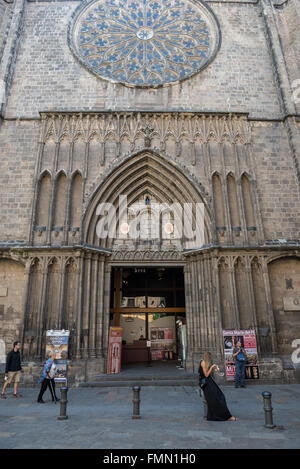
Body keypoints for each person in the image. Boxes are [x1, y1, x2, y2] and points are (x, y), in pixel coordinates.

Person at [198, 352, 237, 421]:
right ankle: (225, 416)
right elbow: (206, 375)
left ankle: (225, 415)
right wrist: (212, 367)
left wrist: (213, 368)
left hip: (209, 382)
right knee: (217, 398)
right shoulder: (203, 362)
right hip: (206, 384)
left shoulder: (204, 363)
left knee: (220, 396)